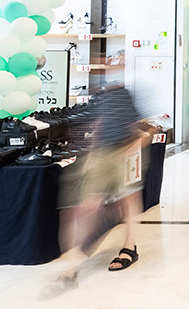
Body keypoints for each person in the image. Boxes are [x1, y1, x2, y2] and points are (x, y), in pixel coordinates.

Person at [52, 84, 147, 292]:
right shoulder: (100, 97)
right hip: (103, 154)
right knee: (87, 205)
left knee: (129, 200)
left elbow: (139, 129)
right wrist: (92, 155)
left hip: (127, 151)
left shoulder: (124, 94)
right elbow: (98, 125)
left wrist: (131, 151)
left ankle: (129, 247)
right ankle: (71, 266)